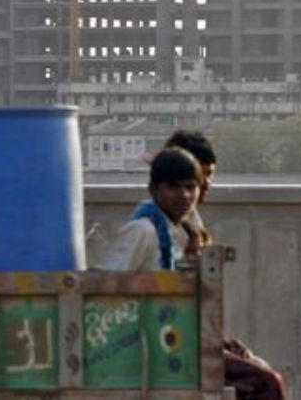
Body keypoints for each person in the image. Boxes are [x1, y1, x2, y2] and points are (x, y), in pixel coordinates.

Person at [141, 130, 287, 400]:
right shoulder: (153, 229)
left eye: (203, 178)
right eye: (199, 176)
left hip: (188, 335)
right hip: (170, 344)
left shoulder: (186, 224)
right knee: (266, 383)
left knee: (257, 367)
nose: (205, 184)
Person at [99, 147, 204, 271]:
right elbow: (108, 283)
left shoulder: (186, 234)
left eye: (190, 187)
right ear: (153, 190)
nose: (184, 195)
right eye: (173, 187)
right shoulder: (143, 230)